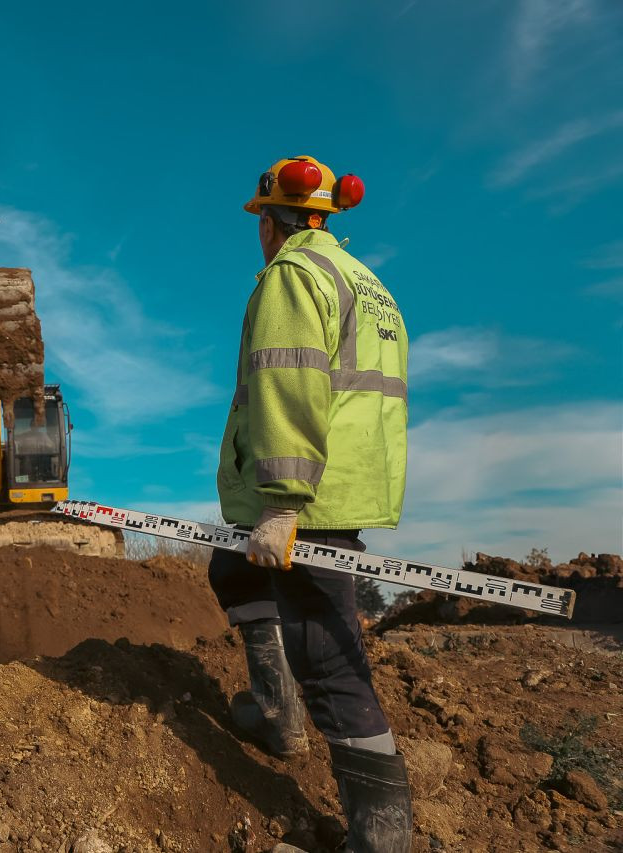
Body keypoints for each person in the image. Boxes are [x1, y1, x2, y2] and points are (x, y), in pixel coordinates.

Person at [209, 155, 412, 852]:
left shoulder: (293, 275)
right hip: (336, 487)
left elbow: (289, 384)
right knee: (231, 569)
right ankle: (275, 713)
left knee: (325, 656)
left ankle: (379, 838)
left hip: (309, 496)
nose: (258, 235)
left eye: (259, 223)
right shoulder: (368, 283)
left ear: (273, 221)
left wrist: (285, 502)